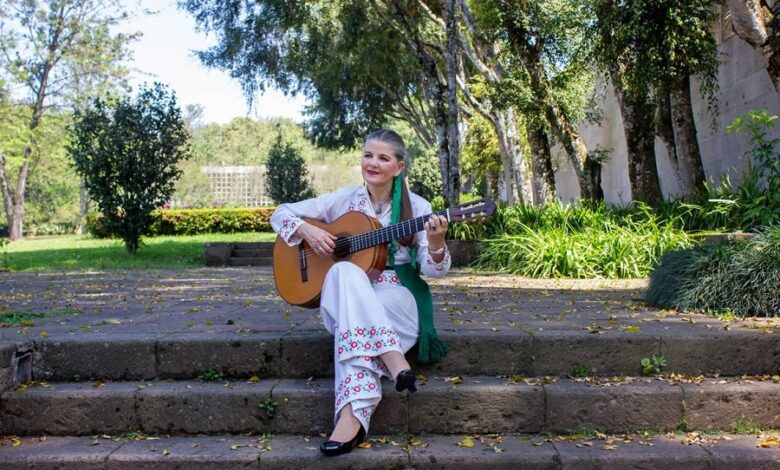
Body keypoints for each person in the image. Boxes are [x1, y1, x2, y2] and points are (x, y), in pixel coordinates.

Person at [270, 129, 451, 456]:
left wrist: (436, 244)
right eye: (368, 155)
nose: (373, 163)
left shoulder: (418, 208)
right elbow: (280, 213)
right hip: (348, 298)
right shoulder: (343, 200)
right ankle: (394, 361)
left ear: (399, 167)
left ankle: (350, 419)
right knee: (344, 271)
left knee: (350, 319)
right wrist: (306, 229)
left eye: (383, 158)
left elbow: (433, 271)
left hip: (398, 302)